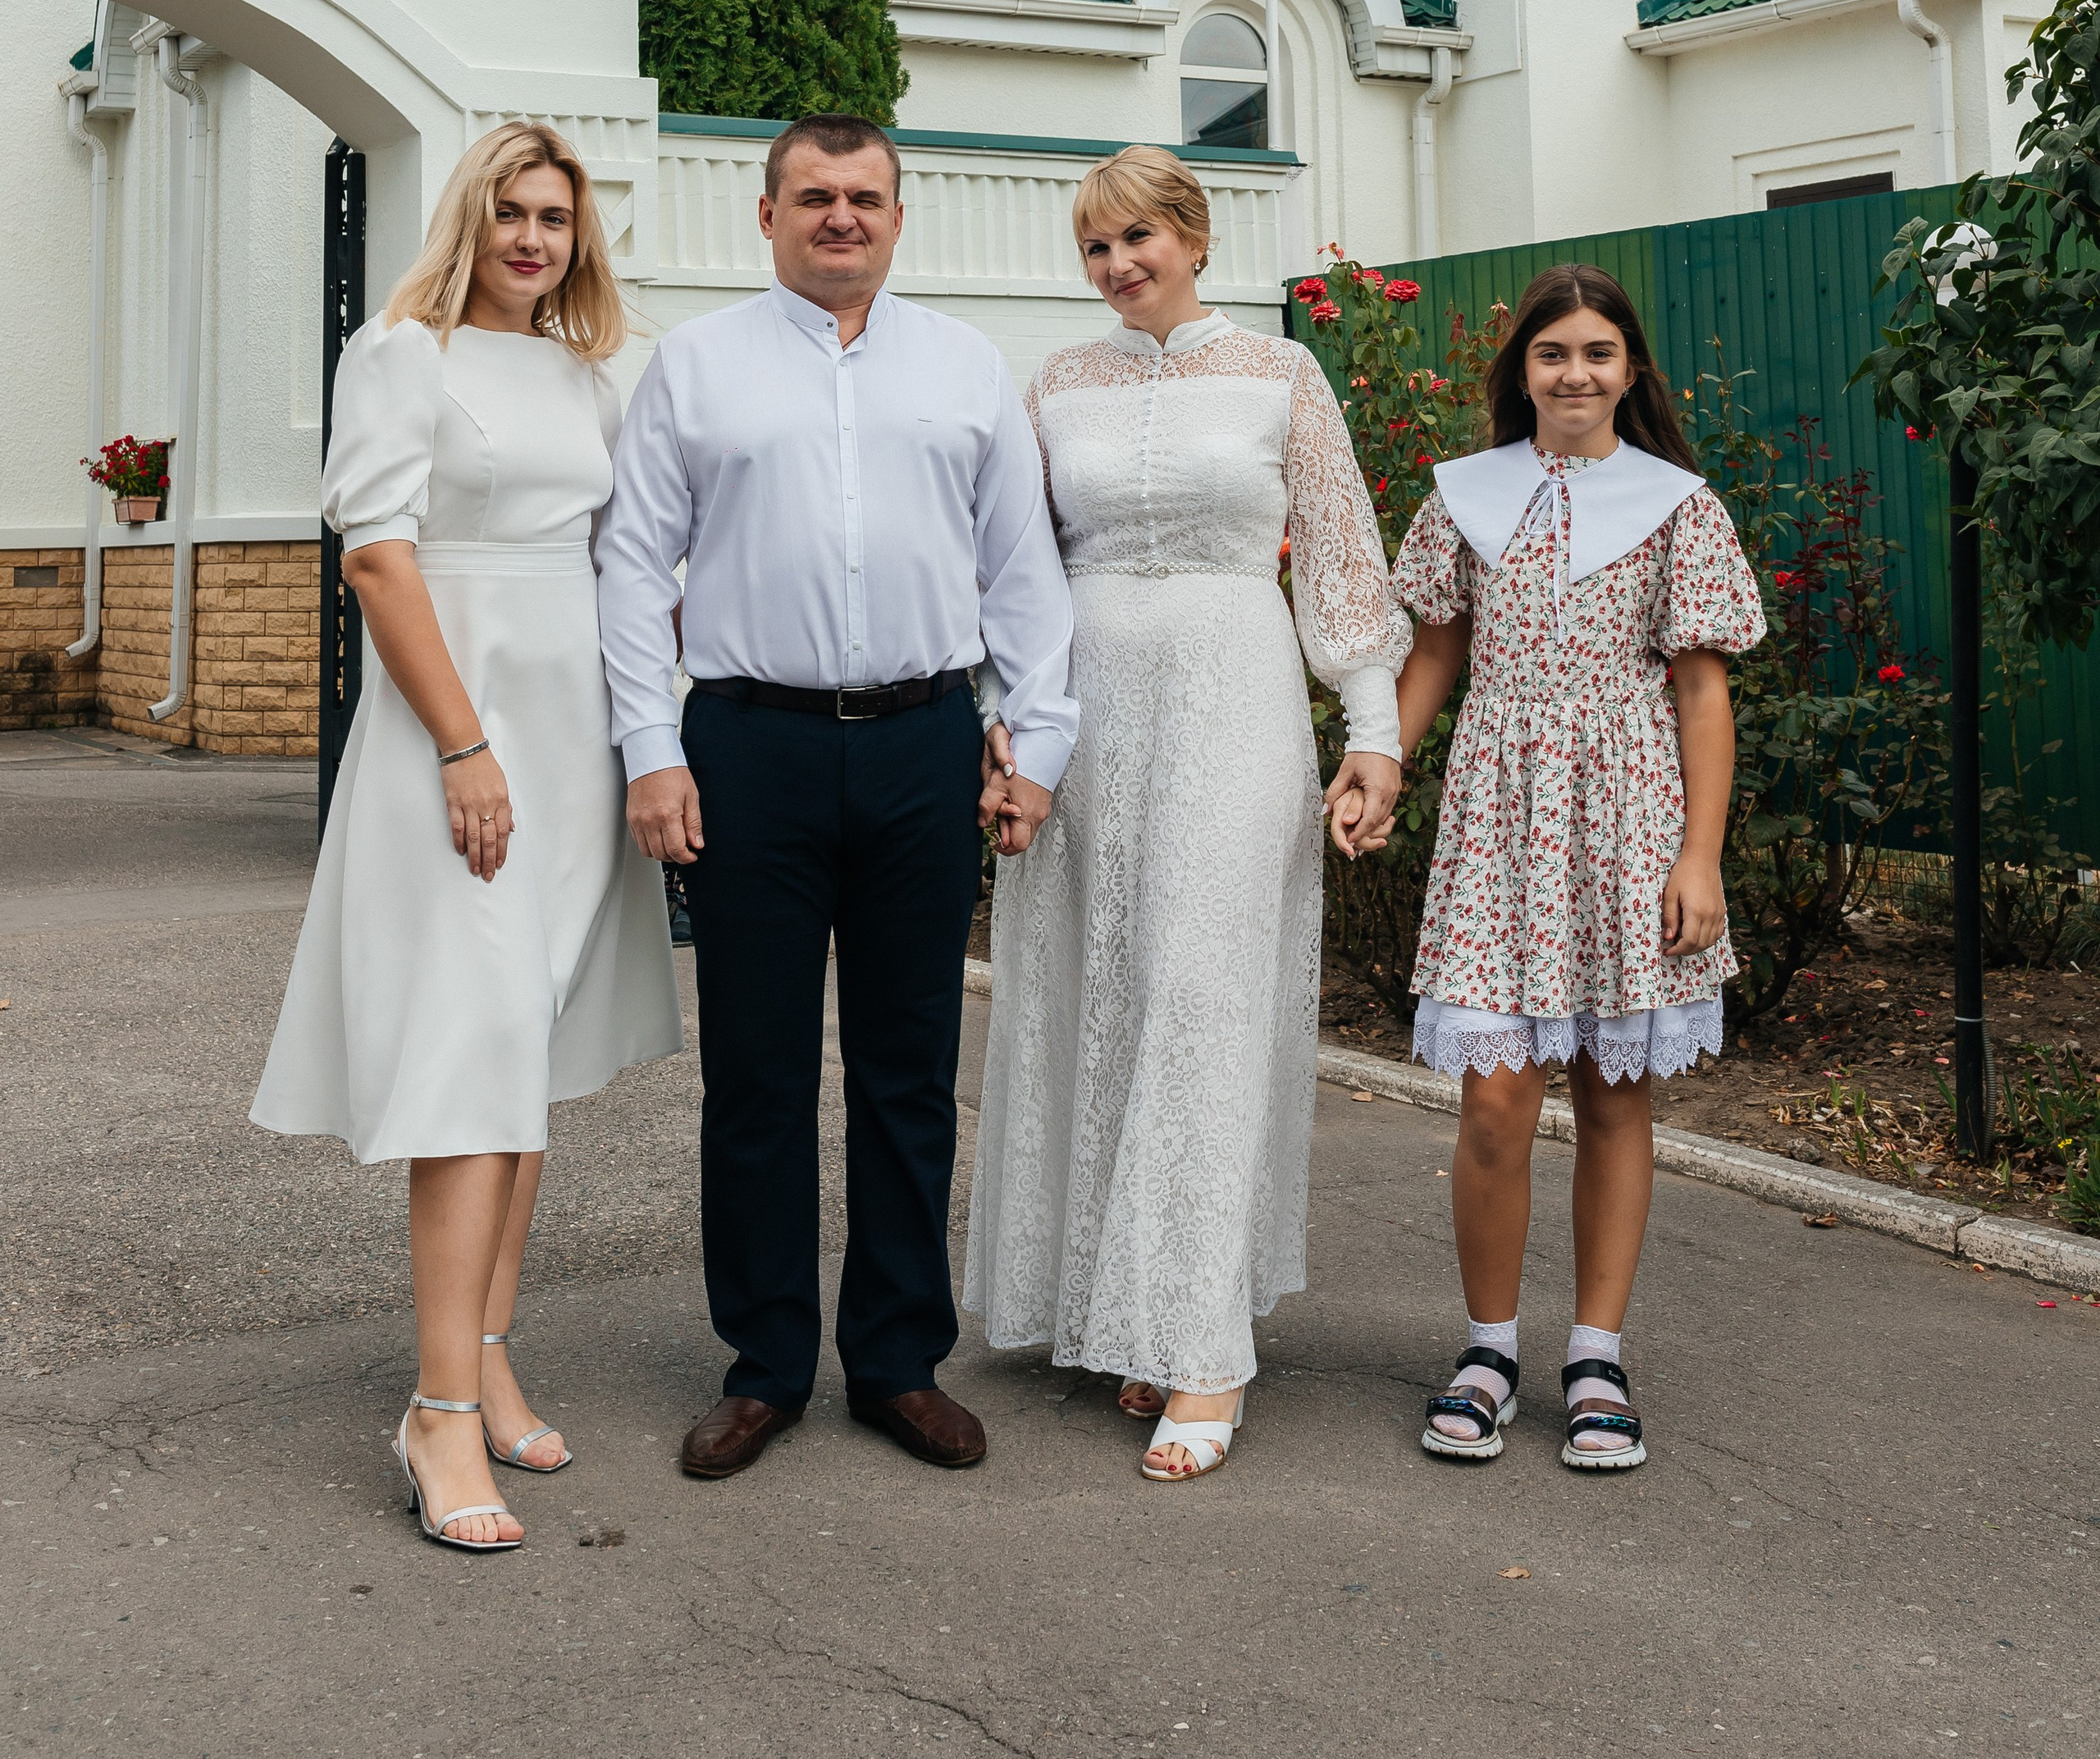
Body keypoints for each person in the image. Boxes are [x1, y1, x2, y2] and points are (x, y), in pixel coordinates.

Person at [597, 112, 1078, 1482]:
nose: (841, 218)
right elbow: (634, 570)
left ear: (896, 214)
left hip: (926, 745)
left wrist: (1034, 746)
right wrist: (651, 748)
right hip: (751, 746)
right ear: (767, 216)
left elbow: (1022, 575)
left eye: (865, 197)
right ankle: (762, 1367)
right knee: (754, 1074)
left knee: (908, 1071)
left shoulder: (967, 368)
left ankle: (896, 1362)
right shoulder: (695, 369)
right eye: (814, 196)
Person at [252, 124, 680, 1553]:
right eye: (510, 211)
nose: (533, 238)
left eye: (556, 216)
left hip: (577, 739)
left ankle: (488, 1351)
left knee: (532, 1049)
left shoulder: (586, 372)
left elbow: (633, 557)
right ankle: (436, 1412)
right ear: (468, 218)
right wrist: (463, 744)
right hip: (463, 740)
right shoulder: (401, 356)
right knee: (468, 1052)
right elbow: (378, 552)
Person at [963, 147, 1408, 1483]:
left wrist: (1372, 730)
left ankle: (1204, 1345)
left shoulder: (1282, 374)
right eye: (1095, 247)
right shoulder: (1056, 385)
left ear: (1195, 236)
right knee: (1101, 992)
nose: (1116, 267)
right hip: (1088, 711)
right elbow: (1017, 569)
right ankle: (1136, 1309)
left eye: (1138, 238)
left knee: (1205, 998)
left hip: (1234, 691)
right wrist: (1009, 723)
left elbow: (1340, 563)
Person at [1391, 263, 1763, 1473]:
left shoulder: (1677, 506)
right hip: (1501, 810)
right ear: (1522, 373)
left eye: (1600, 353)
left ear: (1631, 371)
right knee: (1498, 1093)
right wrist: (1379, 764)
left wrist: (1699, 857)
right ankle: (1488, 1349)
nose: (1576, 373)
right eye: (1554, 354)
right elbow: (1436, 653)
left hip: (1631, 813)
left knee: (1614, 1088)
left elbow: (1702, 693)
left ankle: (1595, 1353)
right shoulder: (1466, 498)